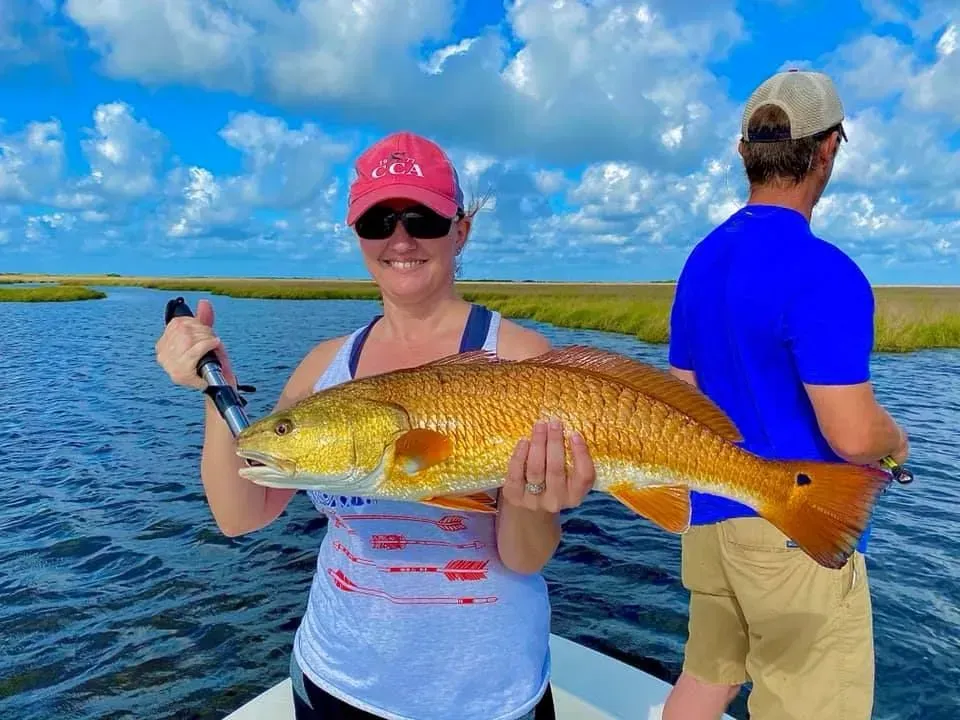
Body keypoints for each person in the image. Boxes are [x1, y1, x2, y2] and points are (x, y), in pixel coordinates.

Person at [155, 131, 596, 720]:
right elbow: (241, 516)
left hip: (488, 697)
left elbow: (522, 558)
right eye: (377, 222)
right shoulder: (323, 366)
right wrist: (217, 390)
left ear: (460, 230)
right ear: (358, 236)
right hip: (335, 681)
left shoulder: (520, 358)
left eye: (424, 219)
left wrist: (535, 500)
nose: (401, 239)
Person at [661, 69, 910, 720]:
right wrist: (898, 442)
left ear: (745, 152)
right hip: (795, 533)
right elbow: (853, 435)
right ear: (827, 149)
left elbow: (683, 401)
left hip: (710, 524)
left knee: (705, 678)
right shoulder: (827, 274)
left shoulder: (700, 262)